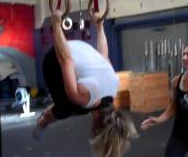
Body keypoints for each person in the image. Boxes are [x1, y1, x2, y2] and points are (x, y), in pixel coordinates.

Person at [33, 10, 138, 157]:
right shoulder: (83, 96)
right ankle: (43, 121)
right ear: (96, 122)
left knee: (81, 107)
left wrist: (100, 27)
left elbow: (104, 56)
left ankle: (49, 115)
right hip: (54, 59)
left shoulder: (114, 85)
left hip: (79, 47)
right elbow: (65, 60)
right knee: (66, 108)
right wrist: (56, 23)